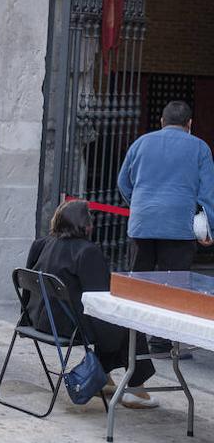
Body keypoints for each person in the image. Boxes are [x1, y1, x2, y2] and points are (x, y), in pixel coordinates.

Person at [25, 199, 158, 408]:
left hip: (39, 319)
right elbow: (102, 295)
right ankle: (135, 388)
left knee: (111, 324)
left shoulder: (41, 244)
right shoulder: (87, 251)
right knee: (127, 323)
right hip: (68, 325)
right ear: (85, 225)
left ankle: (102, 378)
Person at [117, 100, 214, 274]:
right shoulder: (200, 148)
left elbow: (123, 182)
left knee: (138, 285)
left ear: (162, 121)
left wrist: (139, 203)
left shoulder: (140, 143)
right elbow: (207, 193)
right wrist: (209, 229)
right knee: (173, 287)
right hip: (179, 225)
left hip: (142, 223)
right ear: (189, 123)